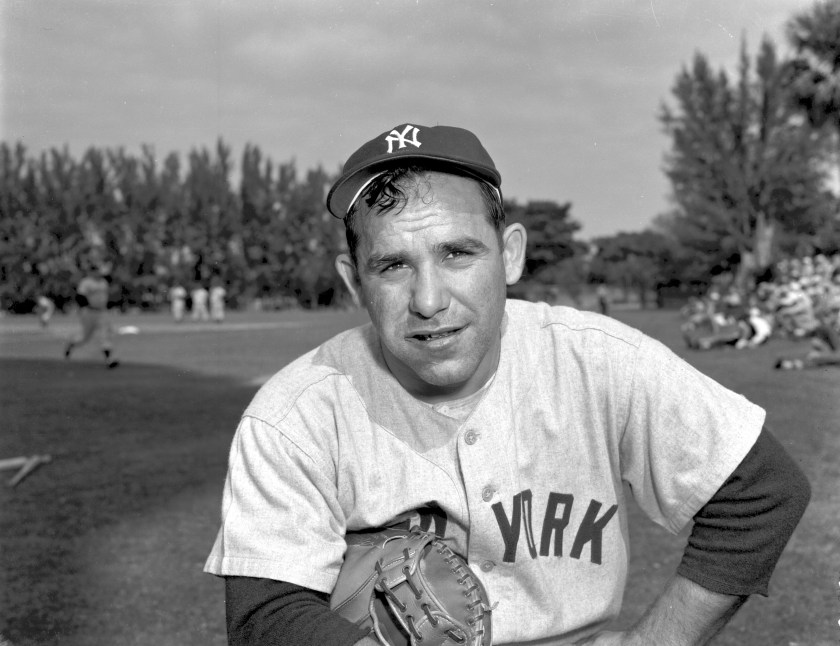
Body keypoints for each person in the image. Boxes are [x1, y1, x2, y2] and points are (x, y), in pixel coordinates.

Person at [204, 123, 810, 645]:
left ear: (510, 254)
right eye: (393, 265)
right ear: (354, 281)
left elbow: (760, 491)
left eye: (458, 254)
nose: (429, 299)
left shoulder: (597, 361)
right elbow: (267, 614)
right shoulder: (294, 414)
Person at [64, 264, 119, 369]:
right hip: (89, 312)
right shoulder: (86, 282)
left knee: (105, 335)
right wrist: (84, 308)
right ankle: (71, 344)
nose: (98, 273)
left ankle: (109, 360)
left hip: (101, 312)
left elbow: (106, 297)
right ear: (91, 272)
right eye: (95, 271)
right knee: (84, 337)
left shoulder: (103, 282)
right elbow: (80, 297)